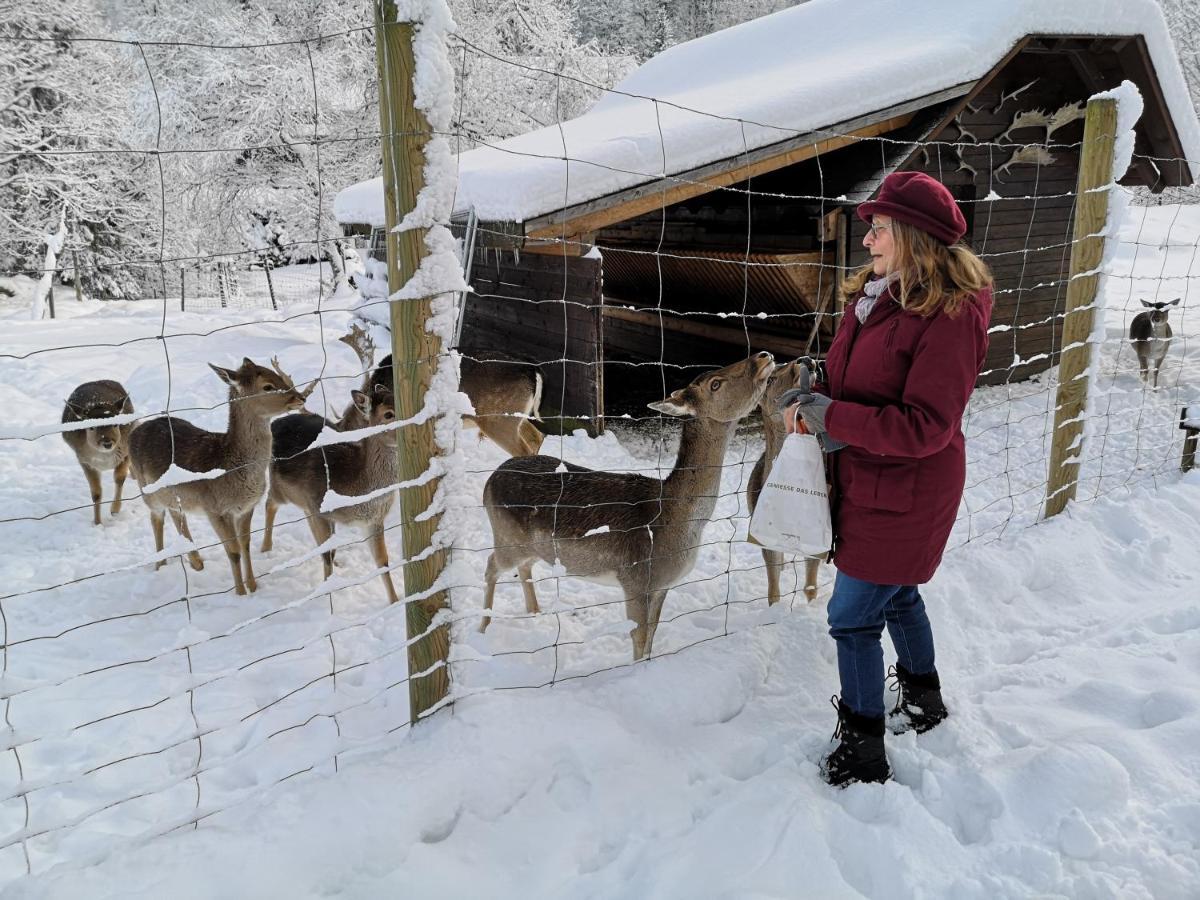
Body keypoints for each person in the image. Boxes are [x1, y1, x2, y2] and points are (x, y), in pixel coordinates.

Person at [783, 171, 993, 787]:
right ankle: (924, 703)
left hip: (907, 490)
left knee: (851, 617)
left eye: (878, 229)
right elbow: (860, 383)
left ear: (913, 236)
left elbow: (927, 424)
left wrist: (834, 417)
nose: (868, 240)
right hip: (867, 479)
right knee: (897, 595)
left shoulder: (949, 314)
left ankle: (862, 749)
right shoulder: (875, 296)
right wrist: (816, 394)